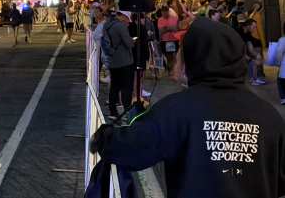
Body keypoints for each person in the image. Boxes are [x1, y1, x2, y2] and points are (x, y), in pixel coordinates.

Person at [91, 18, 285, 198]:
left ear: (196, 58)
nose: (177, 58)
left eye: (181, 53)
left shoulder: (176, 110)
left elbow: (131, 148)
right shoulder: (269, 116)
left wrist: (103, 136)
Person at [103, 10, 134, 120]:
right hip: (124, 61)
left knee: (114, 87)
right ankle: (126, 112)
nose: (128, 22)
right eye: (127, 19)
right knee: (126, 87)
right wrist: (133, 41)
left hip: (112, 60)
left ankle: (113, 111)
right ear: (124, 16)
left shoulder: (107, 24)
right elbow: (128, 43)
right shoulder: (120, 27)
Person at [241, 19, 266, 86]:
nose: (255, 29)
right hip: (238, 52)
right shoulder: (240, 31)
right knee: (253, 58)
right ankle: (253, 79)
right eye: (253, 27)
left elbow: (250, 40)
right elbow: (240, 45)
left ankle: (255, 78)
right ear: (248, 26)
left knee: (258, 46)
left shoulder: (247, 32)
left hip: (244, 50)